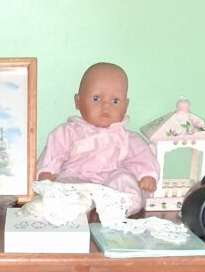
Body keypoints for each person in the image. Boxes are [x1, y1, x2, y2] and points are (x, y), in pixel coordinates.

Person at [35, 62, 158, 215]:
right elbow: (55, 151)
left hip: (111, 179)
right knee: (66, 186)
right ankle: (74, 206)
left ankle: (118, 208)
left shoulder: (126, 138)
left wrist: (146, 175)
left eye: (115, 101)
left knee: (125, 180)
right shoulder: (68, 132)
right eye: (96, 98)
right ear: (78, 102)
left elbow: (140, 156)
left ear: (126, 105)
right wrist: (47, 171)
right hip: (77, 177)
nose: (106, 106)